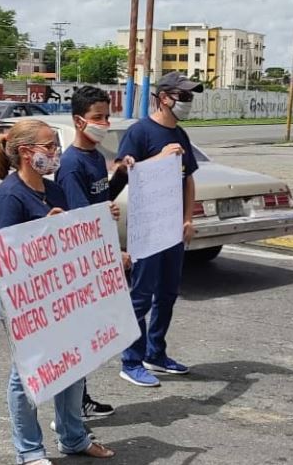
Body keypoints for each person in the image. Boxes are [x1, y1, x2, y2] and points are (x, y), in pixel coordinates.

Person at [0, 119, 115, 465]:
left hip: (59, 296)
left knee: (73, 365)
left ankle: (73, 437)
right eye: (49, 146)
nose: (56, 152)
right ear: (27, 153)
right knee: (28, 373)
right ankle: (29, 450)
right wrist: (45, 231)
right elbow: (4, 258)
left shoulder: (53, 190)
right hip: (23, 300)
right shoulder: (8, 196)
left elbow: (71, 243)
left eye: (55, 146)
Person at [111, 71, 203, 387]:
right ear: (164, 97)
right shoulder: (140, 133)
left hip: (173, 228)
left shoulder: (181, 134)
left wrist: (187, 218)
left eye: (191, 97)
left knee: (167, 293)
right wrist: (159, 158)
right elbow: (124, 173)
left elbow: (188, 177)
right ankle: (131, 360)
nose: (188, 103)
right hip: (147, 228)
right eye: (184, 96)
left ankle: (156, 352)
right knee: (142, 295)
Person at [55, 85, 128, 418]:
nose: (105, 123)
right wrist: (113, 256)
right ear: (79, 121)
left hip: (96, 257)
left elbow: (102, 198)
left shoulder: (96, 158)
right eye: (97, 117)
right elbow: (79, 218)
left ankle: (80, 400)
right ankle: (72, 409)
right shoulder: (71, 164)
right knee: (78, 339)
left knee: (87, 337)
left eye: (107, 116)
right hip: (81, 262)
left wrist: (121, 177)